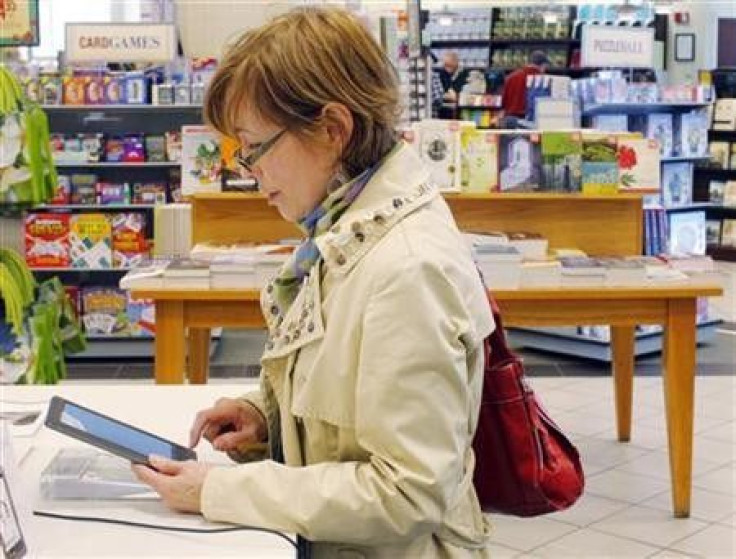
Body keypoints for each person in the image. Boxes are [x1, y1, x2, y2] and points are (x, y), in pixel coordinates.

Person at [132, 7, 494, 558]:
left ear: (332, 130)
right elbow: (351, 401)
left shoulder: (406, 268)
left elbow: (408, 492)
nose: (249, 173)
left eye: (254, 149)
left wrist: (219, 490)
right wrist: (267, 417)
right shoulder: (342, 230)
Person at [501, 50, 550, 121]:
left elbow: (503, 101)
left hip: (509, 118)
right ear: (543, 65)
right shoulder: (541, 80)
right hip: (527, 119)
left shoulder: (511, 77)